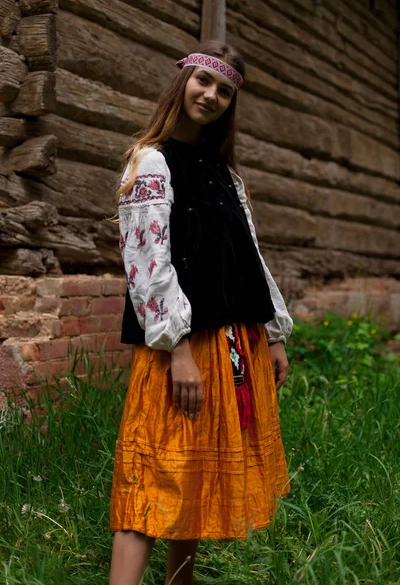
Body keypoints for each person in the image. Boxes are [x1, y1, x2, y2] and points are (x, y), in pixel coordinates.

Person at [109, 40, 293, 585]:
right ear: (182, 81)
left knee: (192, 481)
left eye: (225, 91)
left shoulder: (226, 177)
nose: (211, 96)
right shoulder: (152, 161)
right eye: (204, 82)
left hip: (236, 344)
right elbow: (146, 259)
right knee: (150, 476)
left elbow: (248, 256)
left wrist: (274, 333)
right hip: (181, 348)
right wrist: (178, 348)